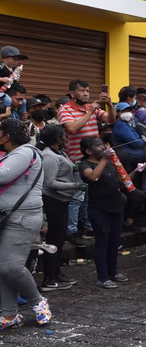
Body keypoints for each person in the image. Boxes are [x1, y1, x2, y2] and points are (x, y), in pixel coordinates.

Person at [0, 119, 50, 329]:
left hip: (22, 216)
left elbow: (2, 176)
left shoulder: (24, 152)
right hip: (9, 215)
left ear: (7, 136)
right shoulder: (13, 154)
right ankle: (9, 315)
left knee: (11, 267)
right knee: (3, 267)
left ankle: (38, 302)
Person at [58, 80, 114, 247]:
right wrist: (90, 112)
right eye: (82, 91)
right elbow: (72, 128)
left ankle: (87, 228)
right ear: (72, 93)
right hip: (75, 160)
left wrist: (109, 104)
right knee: (76, 197)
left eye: (88, 91)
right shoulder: (65, 109)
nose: (86, 94)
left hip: (94, 159)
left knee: (89, 197)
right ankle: (71, 232)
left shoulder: (91, 107)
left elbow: (111, 120)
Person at [78, 136, 131, 289]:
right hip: (99, 208)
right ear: (89, 151)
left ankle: (112, 272)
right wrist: (103, 160)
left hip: (115, 206)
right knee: (102, 242)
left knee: (114, 242)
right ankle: (102, 277)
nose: (103, 148)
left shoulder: (110, 163)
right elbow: (93, 177)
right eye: (98, 146)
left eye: (103, 145)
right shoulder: (85, 164)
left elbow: (122, 182)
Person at [38, 124, 84, 292]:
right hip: (53, 202)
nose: (66, 137)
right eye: (63, 135)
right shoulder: (49, 156)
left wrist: (75, 168)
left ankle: (57, 273)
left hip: (63, 202)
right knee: (54, 241)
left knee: (60, 239)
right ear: (57, 138)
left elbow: (63, 171)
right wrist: (76, 185)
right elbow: (49, 183)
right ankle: (49, 279)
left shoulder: (60, 153)